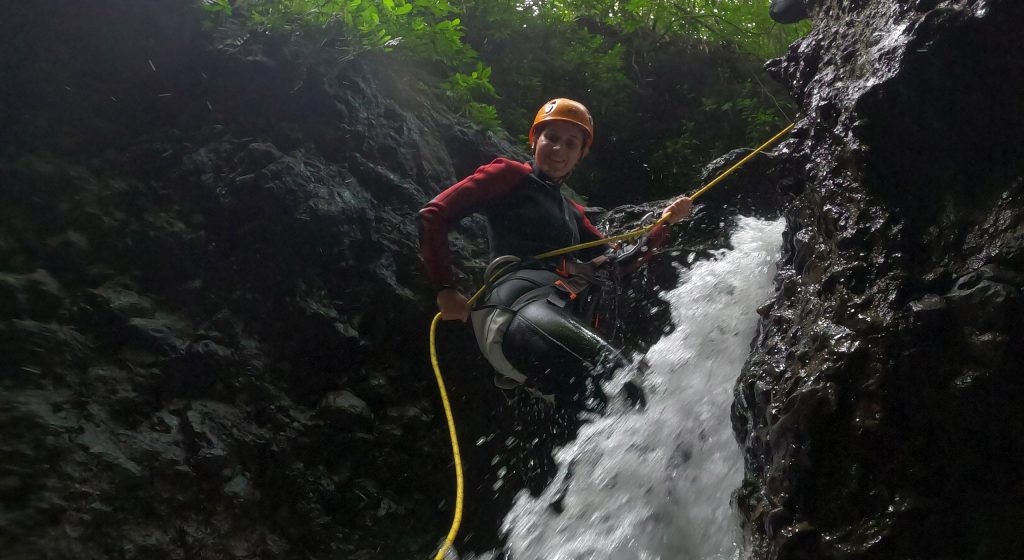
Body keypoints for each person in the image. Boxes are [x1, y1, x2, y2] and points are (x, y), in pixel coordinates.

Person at [419, 98, 692, 410]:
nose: (559, 150)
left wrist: (665, 222)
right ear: (535, 139)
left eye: (570, 144)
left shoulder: (573, 213)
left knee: (633, 400)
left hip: (558, 312)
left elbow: (620, 262)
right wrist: (445, 288)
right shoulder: (509, 175)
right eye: (551, 138)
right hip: (517, 309)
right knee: (621, 379)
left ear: (581, 154)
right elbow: (434, 214)